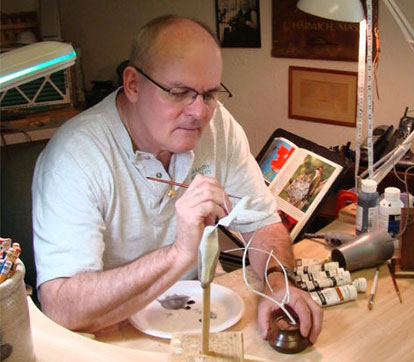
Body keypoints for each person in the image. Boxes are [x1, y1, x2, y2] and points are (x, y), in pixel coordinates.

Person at [32, 15, 322, 344]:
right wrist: (177, 253)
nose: (199, 113)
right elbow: (61, 307)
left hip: (198, 320)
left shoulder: (218, 127)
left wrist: (279, 283)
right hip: (115, 338)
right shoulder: (75, 157)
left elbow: (261, 224)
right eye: (178, 92)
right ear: (133, 85)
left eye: (209, 94)